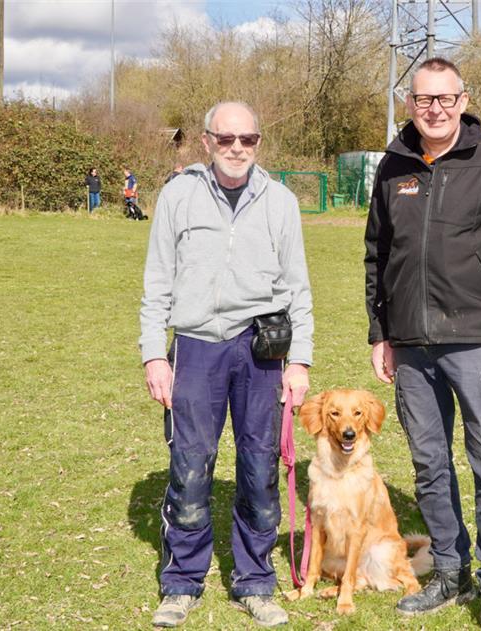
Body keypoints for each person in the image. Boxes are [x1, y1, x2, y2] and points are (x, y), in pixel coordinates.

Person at [364, 58, 481, 631]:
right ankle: (450, 569)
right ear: (410, 102)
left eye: (446, 98)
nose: (435, 108)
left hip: (480, 342)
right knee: (428, 464)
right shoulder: (393, 166)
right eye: (424, 99)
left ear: (463, 100)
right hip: (412, 347)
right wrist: (380, 332)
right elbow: (376, 256)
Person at [139, 101, 314, 628]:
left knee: (259, 468)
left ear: (259, 142)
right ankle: (182, 581)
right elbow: (156, 282)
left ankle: (255, 581)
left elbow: (297, 287)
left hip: (260, 350)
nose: (237, 148)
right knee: (191, 466)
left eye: (249, 139)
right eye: (226, 138)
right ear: (206, 140)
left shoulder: (281, 201)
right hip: (194, 346)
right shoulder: (178, 195)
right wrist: (154, 353)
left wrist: (299, 360)